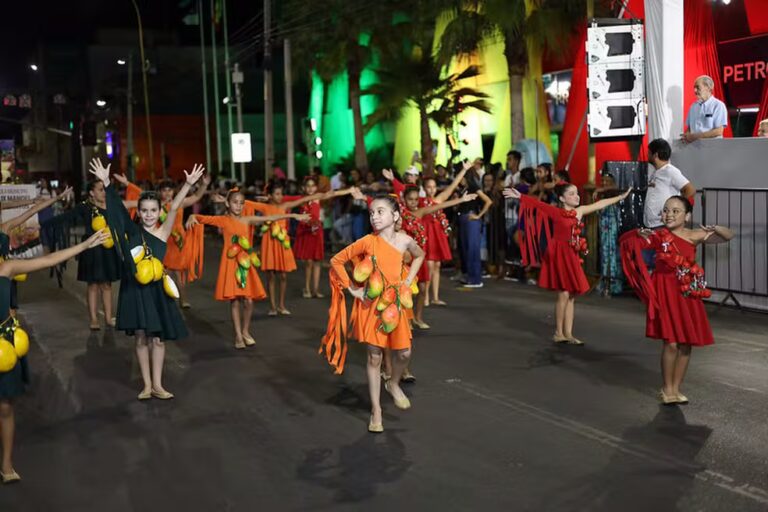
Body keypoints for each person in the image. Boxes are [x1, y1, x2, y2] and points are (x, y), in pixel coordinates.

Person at [0, 228, 109, 484]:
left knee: (5, 407)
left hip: (4, 346)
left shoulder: (6, 268)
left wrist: (84, 245)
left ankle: (6, 464)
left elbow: (49, 260)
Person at [90, 158, 205, 400]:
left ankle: (159, 385)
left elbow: (174, 207)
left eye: (154, 210)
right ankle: (146, 384)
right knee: (141, 337)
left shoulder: (163, 232)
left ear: (159, 211)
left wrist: (188, 184)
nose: (150, 214)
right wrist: (106, 182)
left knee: (158, 339)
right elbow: (117, 213)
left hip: (156, 292)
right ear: (139, 212)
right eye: (144, 210)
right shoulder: (131, 233)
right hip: (134, 290)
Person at [319, 196, 424, 433]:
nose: (374, 216)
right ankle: (376, 410)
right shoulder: (367, 241)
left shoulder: (405, 240)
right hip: (372, 305)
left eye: (380, 211)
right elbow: (337, 260)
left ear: (395, 216)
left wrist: (407, 280)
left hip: (395, 304)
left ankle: (394, 383)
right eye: (371, 213)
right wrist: (353, 289)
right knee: (374, 357)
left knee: (405, 352)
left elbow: (420, 255)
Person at [620, 196, 734, 404]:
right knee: (671, 343)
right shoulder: (658, 235)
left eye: (675, 211)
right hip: (664, 292)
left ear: (687, 215)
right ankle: (667, 388)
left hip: (687, 294)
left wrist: (715, 227)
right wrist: (636, 233)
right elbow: (625, 241)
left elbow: (728, 236)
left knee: (685, 344)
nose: (669, 214)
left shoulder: (694, 235)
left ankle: (676, 389)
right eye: (665, 210)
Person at [504, 183, 631, 344]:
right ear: (562, 198)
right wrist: (520, 196)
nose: (576, 196)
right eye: (571, 194)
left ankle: (568, 333)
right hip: (559, 256)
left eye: (577, 193)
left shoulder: (579, 212)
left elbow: (599, 204)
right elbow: (538, 204)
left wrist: (620, 197)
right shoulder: (557, 212)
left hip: (572, 256)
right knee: (563, 294)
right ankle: (558, 332)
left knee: (571, 295)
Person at [186, 189, 307, 348]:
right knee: (235, 301)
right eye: (235, 202)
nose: (238, 206)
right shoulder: (222, 220)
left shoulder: (247, 219)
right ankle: (238, 335)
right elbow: (201, 218)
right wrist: (191, 216)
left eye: (241, 203)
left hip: (245, 263)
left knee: (249, 301)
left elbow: (270, 217)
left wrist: (293, 216)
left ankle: (245, 331)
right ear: (228, 203)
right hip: (230, 264)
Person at [40, 182, 122, 330]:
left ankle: (109, 318)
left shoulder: (111, 205)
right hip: (91, 248)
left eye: (105, 189)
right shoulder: (85, 206)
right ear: (91, 193)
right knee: (93, 285)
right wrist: (43, 225)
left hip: (108, 249)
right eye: (100, 190)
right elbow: (65, 217)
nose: (104, 192)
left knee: (107, 285)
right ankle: (94, 320)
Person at [245, 181, 333, 316]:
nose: (280, 197)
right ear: (270, 195)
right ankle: (273, 307)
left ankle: (281, 305)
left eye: (281, 194)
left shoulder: (285, 205)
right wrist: (225, 198)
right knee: (271, 276)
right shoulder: (264, 206)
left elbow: (304, 199)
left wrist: (323, 194)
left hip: (282, 243)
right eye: (277, 194)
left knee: (284, 276)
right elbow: (245, 203)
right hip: (269, 242)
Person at [292, 177, 356, 299]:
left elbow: (333, 193)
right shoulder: (302, 199)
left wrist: (348, 191)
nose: (310, 188)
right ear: (304, 188)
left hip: (317, 232)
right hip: (306, 232)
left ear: (316, 187)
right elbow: (287, 200)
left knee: (317, 261)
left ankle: (315, 290)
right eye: (308, 186)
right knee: (308, 263)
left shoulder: (317, 197)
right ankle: (307, 288)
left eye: (313, 185)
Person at [456, 161, 493, 288]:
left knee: (472, 250)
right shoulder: (464, 189)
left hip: (472, 220)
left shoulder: (473, 186)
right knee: (466, 249)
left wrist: (478, 215)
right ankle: (470, 276)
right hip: (464, 219)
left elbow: (488, 201)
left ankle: (476, 279)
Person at [644, 139, 696, 229]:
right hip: (652, 224)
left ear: (655, 155)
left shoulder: (670, 171)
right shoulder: (656, 172)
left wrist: (676, 209)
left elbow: (690, 190)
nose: (647, 155)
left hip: (663, 225)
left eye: (649, 153)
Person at [682, 75, 728, 143]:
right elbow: (689, 128)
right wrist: (686, 135)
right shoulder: (693, 107)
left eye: (698, 87)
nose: (695, 90)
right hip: (694, 148)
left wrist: (695, 137)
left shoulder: (718, 105)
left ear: (708, 88)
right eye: (694, 88)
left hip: (713, 148)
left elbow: (718, 131)